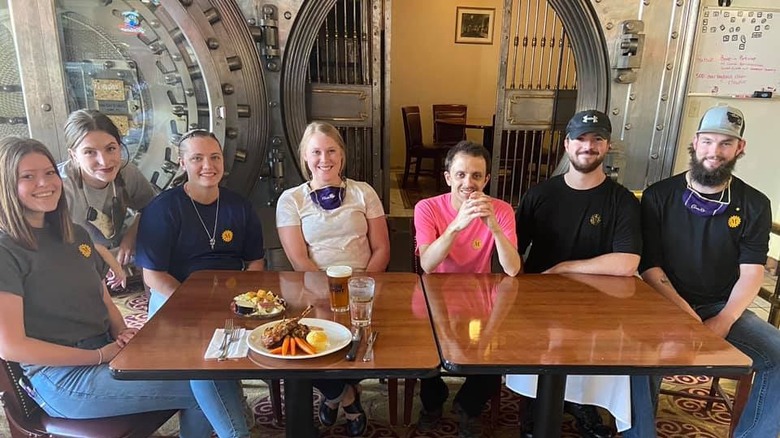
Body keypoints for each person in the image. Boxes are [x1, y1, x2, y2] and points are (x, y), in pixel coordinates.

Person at [0, 136, 250, 438]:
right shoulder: (6, 250)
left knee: (208, 363)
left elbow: (101, 295)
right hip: (63, 378)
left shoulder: (73, 235)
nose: (45, 183)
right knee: (203, 383)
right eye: (28, 176)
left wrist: (120, 332)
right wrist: (98, 357)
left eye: (50, 172)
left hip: (109, 352)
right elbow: (11, 346)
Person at [505, 109, 654, 438]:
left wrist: (564, 268)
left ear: (607, 146)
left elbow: (627, 262)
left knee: (603, 344)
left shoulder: (622, 201)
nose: (588, 146)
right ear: (567, 145)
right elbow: (513, 253)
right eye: (581, 140)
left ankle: (582, 402)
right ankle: (537, 405)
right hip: (540, 303)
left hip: (599, 304)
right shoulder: (540, 195)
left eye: (597, 139)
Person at [640, 105, 780, 437]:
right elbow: (649, 265)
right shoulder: (659, 196)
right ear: (695, 141)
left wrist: (724, 319)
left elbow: (751, 270)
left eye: (725, 144)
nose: (714, 152)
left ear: (739, 148)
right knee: (639, 360)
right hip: (664, 305)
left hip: (721, 306)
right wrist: (682, 312)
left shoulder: (754, 204)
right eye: (707, 142)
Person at [276, 121, 390, 437]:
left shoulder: (364, 192)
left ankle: (334, 393)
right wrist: (328, 294)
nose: (324, 159)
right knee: (303, 350)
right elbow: (299, 259)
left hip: (365, 289)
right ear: (304, 157)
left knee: (370, 346)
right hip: (314, 291)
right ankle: (345, 396)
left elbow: (381, 248)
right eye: (316, 152)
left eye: (331, 151)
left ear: (342, 155)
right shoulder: (291, 199)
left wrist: (361, 288)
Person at [413, 140, 521, 438]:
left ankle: (468, 406)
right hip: (435, 297)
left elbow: (512, 269)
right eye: (460, 175)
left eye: (476, 176)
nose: (468, 183)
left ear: (486, 179)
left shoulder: (500, 210)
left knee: (493, 356)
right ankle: (433, 404)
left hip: (481, 298)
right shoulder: (427, 208)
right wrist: (456, 225)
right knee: (427, 354)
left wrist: (494, 228)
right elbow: (428, 265)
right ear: (448, 177)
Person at [136, 130, 265, 317]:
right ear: (182, 163)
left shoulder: (241, 206)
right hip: (176, 295)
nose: (208, 165)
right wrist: (192, 302)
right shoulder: (162, 209)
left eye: (215, 157)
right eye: (197, 158)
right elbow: (153, 275)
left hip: (232, 297)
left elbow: (255, 261)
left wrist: (244, 297)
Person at [59, 110, 157, 289]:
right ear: (73, 155)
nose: (104, 161)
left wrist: (131, 237)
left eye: (110, 148)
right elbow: (51, 244)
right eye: (90, 152)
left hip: (121, 256)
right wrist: (102, 257)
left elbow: (151, 208)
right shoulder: (61, 188)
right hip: (77, 258)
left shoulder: (128, 174)